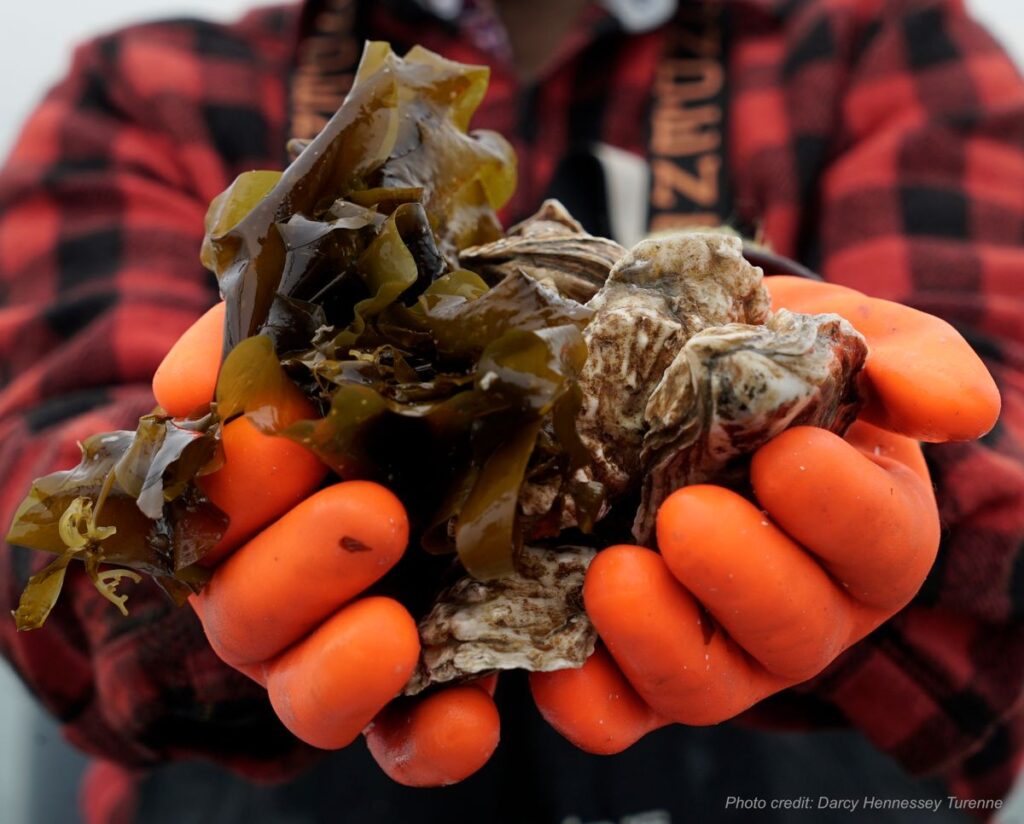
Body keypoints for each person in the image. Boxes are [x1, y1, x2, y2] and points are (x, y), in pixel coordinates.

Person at [0, 1, 1022, 822]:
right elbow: (32, 488)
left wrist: (912, 498)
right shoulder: (150, 86)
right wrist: (200, 546)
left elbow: (998, 419)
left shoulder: (881, 40)